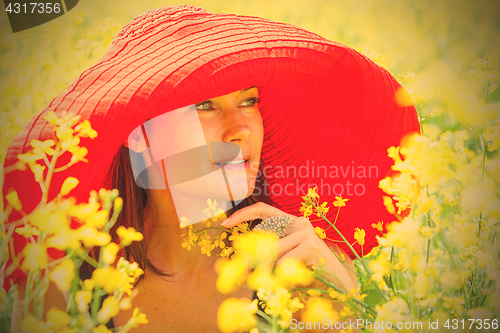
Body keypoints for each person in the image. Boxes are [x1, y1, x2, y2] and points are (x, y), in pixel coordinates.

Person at [3, 5, 419, 332]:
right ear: (138, 137)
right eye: (204, 106)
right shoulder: (68, 281)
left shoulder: (298, 259)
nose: (240, 130)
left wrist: (345, 308)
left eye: (249, 101)